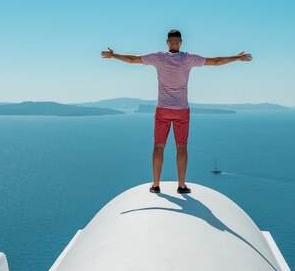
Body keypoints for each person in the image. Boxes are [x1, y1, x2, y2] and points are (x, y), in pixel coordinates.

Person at [101, 29, 252, 194]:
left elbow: (132, 59)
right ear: (180, 42)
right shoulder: (188, 59)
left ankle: (156, 185)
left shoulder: (158, 57)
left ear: (167, 42)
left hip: (163, 110)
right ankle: (181, 185)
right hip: (181, 111)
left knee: (159, 146)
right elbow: (215, 61)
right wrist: (237, 58)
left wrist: (113, 55)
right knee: (181, 147)